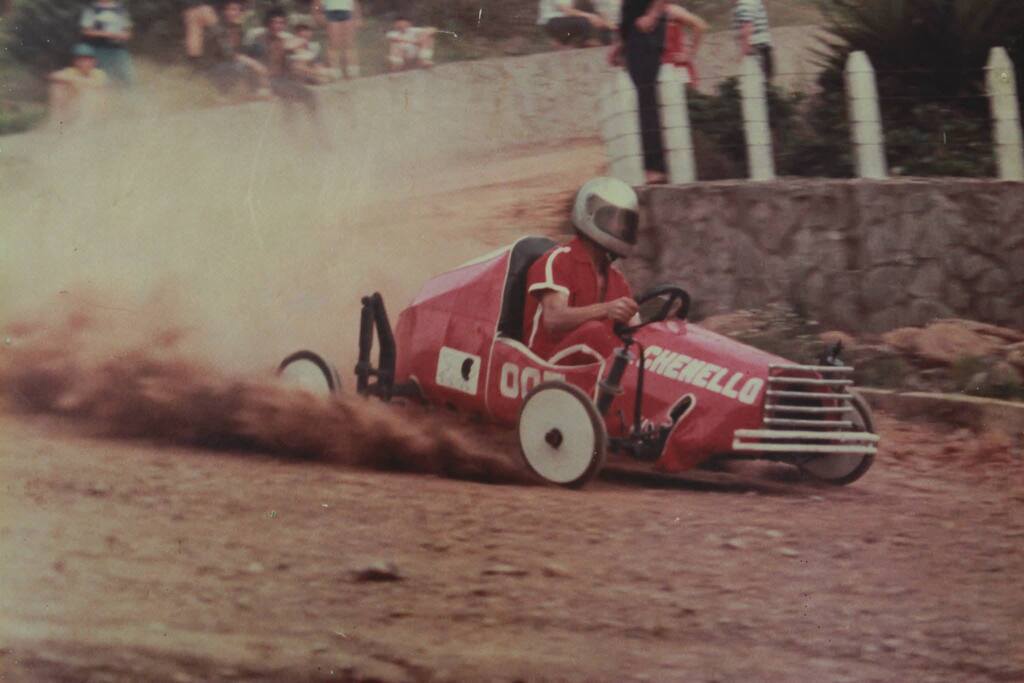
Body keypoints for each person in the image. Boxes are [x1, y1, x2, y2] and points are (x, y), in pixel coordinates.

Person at [522, 177, 640, 363]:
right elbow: (553, 319)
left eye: (626, 221)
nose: (622, 226)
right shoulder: (558, 261)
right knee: (593, 332)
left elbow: (637, 332)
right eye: (612, 217)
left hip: (594, 373)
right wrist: (606, 309)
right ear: (590, 214)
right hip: (545, 365)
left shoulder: (617, 280)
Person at [609, 0, 668, 184]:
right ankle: (652, 165)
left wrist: (652, 15)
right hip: (634, 37)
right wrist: (621, 45)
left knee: (646, 100)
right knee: (643, 100)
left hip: (644, 34)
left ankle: (656, 167)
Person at [246, 7, 317, 112]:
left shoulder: (282, 39)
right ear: (268, 23)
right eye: (274, 22)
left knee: (310, 96)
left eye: (281, 23)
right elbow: (258, 67)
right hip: (269, 82)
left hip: (282, 80)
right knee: (290, 99)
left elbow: (297, 58)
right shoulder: (260, 41)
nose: (277, 26)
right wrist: (264, 87)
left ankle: (316, 127)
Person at [48, 43, 109, 125]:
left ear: (94, 61)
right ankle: (57, 121)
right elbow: (54, 76)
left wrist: (74, 80)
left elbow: (97, 84)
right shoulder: (72, 71)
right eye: (79, 59)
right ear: (75, 61)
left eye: (87, 59)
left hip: (95, 111)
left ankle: (86, 125)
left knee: (90, 94)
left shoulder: (99, 73)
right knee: (57, 87)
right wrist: (72, 79)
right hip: (73, 107)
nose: (83, 63)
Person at [79, 0, 135, 87]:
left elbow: (128, 33)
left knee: (128, 77)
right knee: (101, 79)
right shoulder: (92, 9)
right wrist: (106, 34)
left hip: (119, 50)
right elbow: (86, 31)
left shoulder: (121, 9)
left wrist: (119, 35)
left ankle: (128, 98)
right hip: (98, 50)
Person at [312, 0, 361, 79]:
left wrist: (358, 17)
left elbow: (355, 3)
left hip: (347, 11)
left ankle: (353, 70)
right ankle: (335, 70)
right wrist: (317, 15)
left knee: (349, 42)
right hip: (331, 13)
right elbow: (316, 4)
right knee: (334, 43)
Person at [662, 3, 706, 88]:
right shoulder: (642, 14)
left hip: (676, 67)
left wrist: (690, 54)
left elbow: (700, 25)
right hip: (656, 68)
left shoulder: (670, 9)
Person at [537, 0, 615, 49]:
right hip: (552, 22)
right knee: (584, 21)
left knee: (588, 13)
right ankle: (584, 41)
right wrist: (590, 16)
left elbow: (597, 7)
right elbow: (568, 11)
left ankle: (591, 40)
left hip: (566, 21)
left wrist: (606, 22)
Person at [732, 0, 773, 80]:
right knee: (762, 85)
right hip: (762, 50)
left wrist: (743, 53)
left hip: (754, 51)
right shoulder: (753, 2)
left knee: (753, 86)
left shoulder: (744, 4)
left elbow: (747, 28)